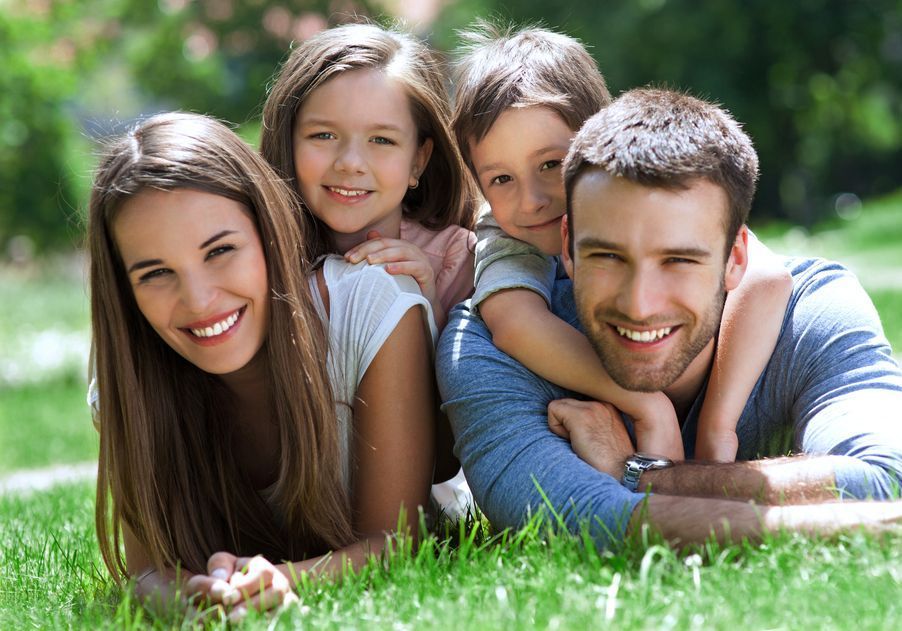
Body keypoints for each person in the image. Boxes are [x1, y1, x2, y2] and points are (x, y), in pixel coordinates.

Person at [437, 87, 902, 547]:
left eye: (678, 260)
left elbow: (890, 477)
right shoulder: (484, 345)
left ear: (737, 256)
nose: (640, 305)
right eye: (607, 257)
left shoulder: (811, 309)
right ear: (568, 244)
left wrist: (641, 476)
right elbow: (571, 518)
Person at [88, 112, 436, 616]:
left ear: (269, 231)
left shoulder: (372, 308)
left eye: (221, 250)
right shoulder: (127, 373)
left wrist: (280, 580)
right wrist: (190, 598)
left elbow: (398, 542)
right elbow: (146, 570)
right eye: (156, 273)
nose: (200, 300)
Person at [450, 22, 792, 463]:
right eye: (501, 179)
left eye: (551, 165)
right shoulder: (501, 234)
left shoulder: (643, 190)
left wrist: (717, 426)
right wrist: (647, 405)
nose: (530, 201)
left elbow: (766, 278)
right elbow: (515, 324)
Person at [260, 22, 477, 333]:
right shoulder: (256, 253)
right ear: (287, 141)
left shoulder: (456, 260)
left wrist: (428, 303)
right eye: (324, 135)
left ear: (418, 159)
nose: (350, 163)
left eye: (381, 140)